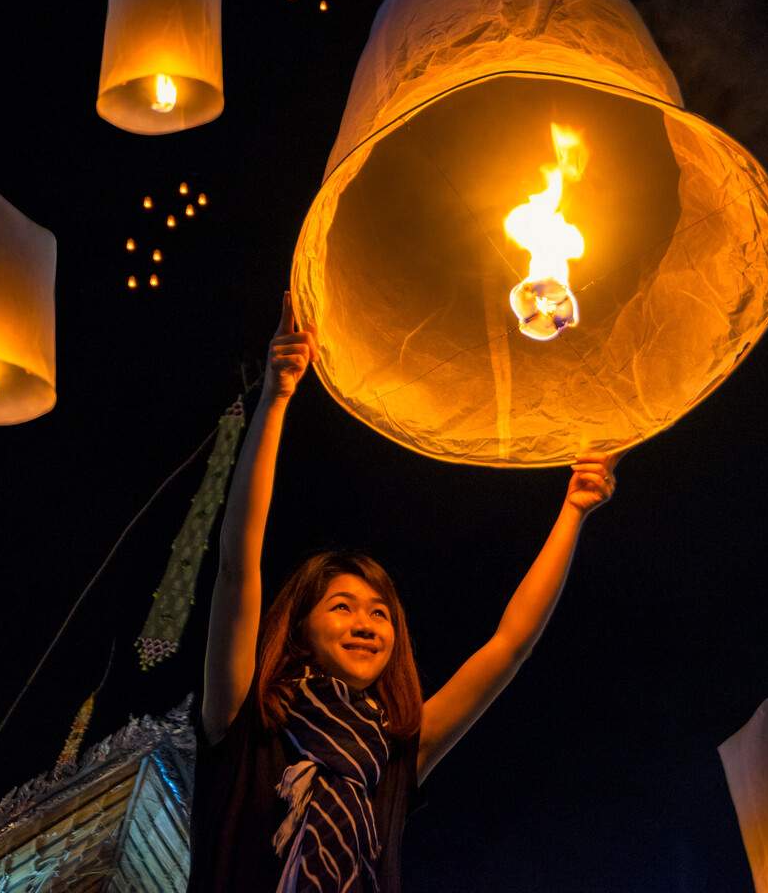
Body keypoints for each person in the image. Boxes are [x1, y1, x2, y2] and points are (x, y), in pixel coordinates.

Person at [190, 294, 617, 892]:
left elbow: (509, 646)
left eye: (381, 613)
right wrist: (277, 396)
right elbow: (238, 564)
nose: (367, 624)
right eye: (342, 607)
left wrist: (574, 512)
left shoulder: (392, 758)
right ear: (300, 630)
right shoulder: (246, 721)